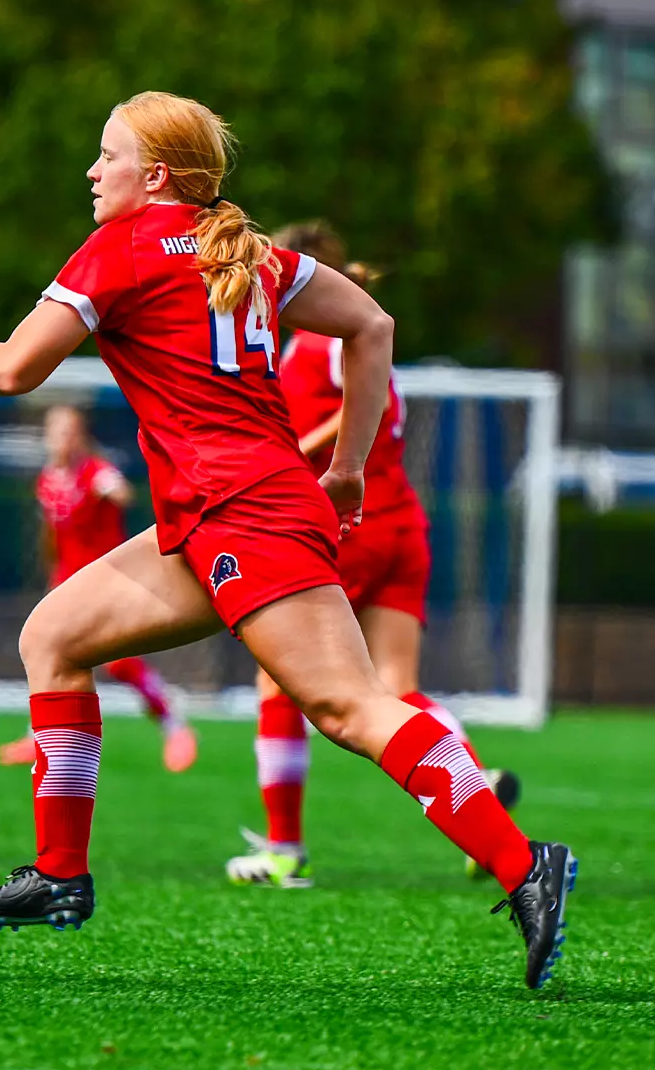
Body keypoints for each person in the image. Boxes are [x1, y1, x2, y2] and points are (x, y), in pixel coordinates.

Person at [0, 92, 576, 988]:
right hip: (226, 512)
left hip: (244, 513)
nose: (93, 172)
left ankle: (526, 863)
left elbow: (13, 369)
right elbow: (375, 327)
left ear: (157, 176)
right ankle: (60, 875)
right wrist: (348, 470)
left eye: (108, 156)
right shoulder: (247, 251)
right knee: (52, 638)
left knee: (352, 710)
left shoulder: (125, 247)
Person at [223, 222, 520, 889]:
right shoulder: (321, 340)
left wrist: (300, 452)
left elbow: (375, 394)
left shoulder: (326, 341)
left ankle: (283, 851)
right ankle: (475, 781)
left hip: (351, 526)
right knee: (394, 689)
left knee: (278, 683)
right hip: (401, 523)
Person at [0, 403, 197, 773]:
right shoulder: (48, 479)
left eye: (69, 432)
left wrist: (112, 489)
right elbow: (51, 534)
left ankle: (173, 721)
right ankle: (37, 738)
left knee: (118, 663)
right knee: (44, 653)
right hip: (68, 577)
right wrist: (53, 574)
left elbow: (121, 493)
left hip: (108, 577)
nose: (62, 440)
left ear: (80, 436)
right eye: (56, 432)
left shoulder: (95, 471)